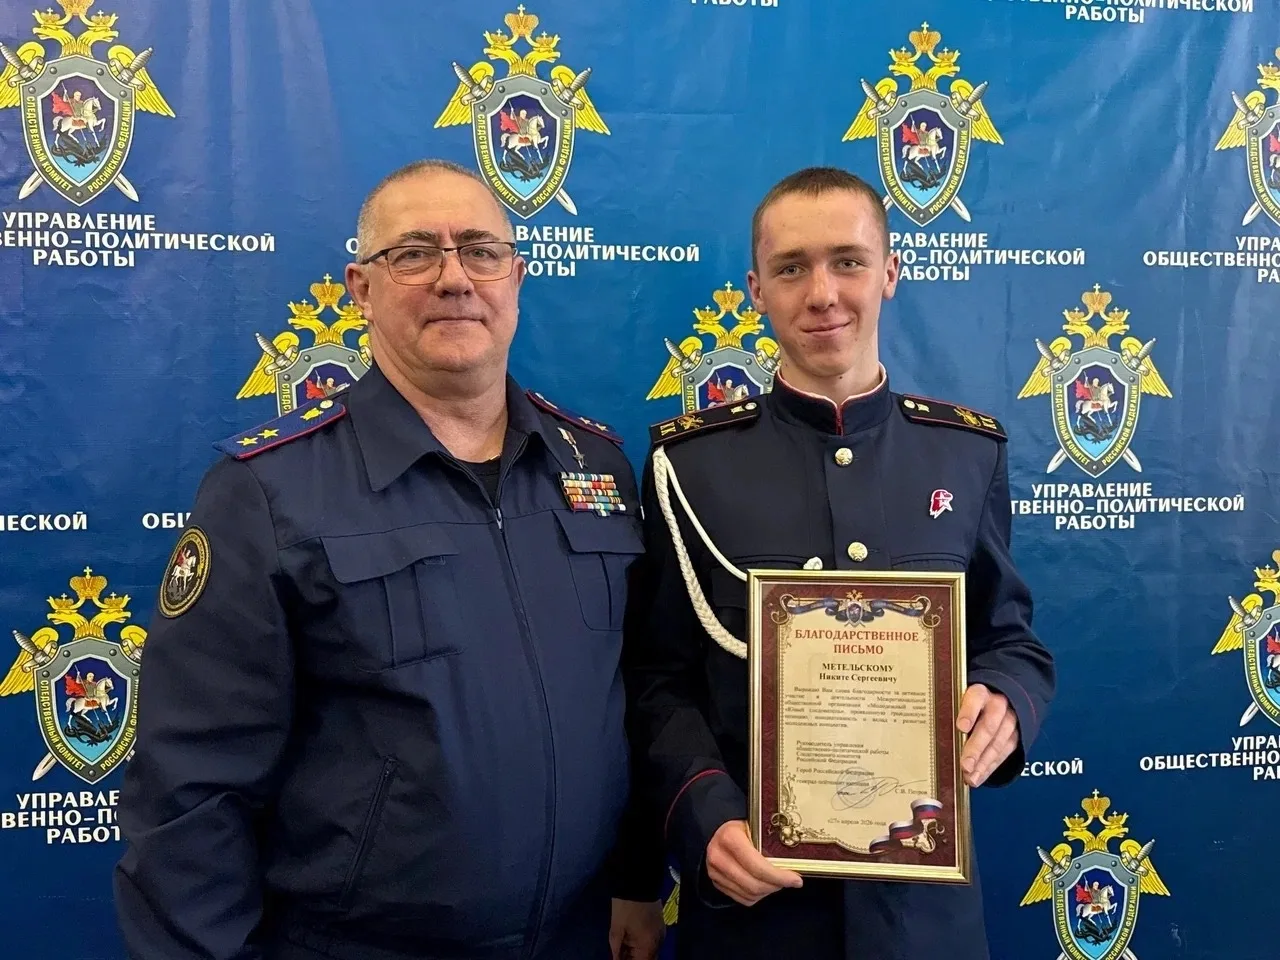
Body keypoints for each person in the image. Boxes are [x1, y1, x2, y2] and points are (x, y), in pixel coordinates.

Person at [114, 159, 665, 960]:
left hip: (575, 938)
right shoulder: (269, 492)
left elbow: (635, 699)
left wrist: (638, 875)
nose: (454, 278)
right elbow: (191, 791)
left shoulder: (595, 468)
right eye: (413, 253)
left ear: (516, 277)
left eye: (481, 250)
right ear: (361, 289)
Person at [621, 166, 1056, 959]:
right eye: (791, 268)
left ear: (890, 272)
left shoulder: (965, 455)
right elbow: (657, 681)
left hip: (922, 921)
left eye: (847, 262)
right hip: (755, 915)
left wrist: (1007, 700)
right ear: (757, 290)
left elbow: (1010, 639)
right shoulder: (687, 468)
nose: (822, 293)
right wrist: (704, 812)